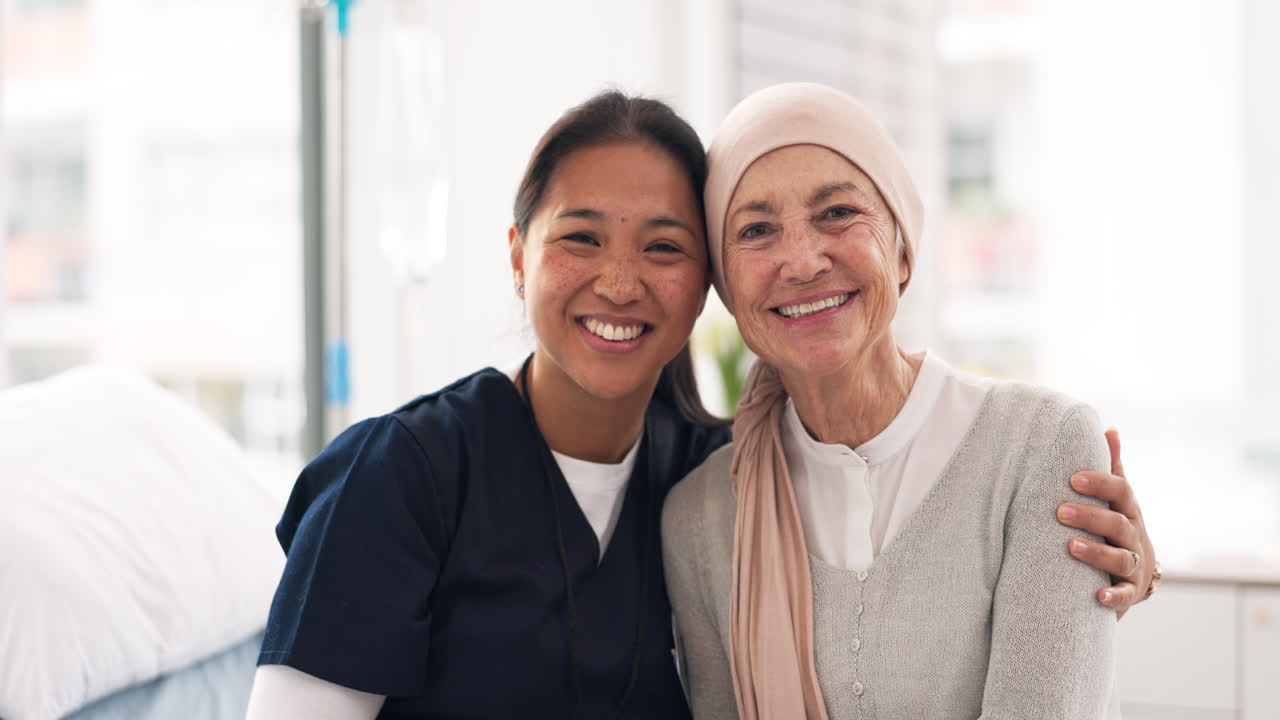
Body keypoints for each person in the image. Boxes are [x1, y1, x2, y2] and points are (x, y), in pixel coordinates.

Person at [246, 89, 1154, 720]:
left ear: (705, 287)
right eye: (581, 239)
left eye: (664, 248)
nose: (620, 282)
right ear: (519, 257)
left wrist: (1110, 568)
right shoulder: (406, 475)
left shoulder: (707, 474)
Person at [662, 82, 1147, 720]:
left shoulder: (1041, 447)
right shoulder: (699, 518)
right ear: (726, 286)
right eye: (756, 230)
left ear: (901, 248)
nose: (803, 261)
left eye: (837, 212)